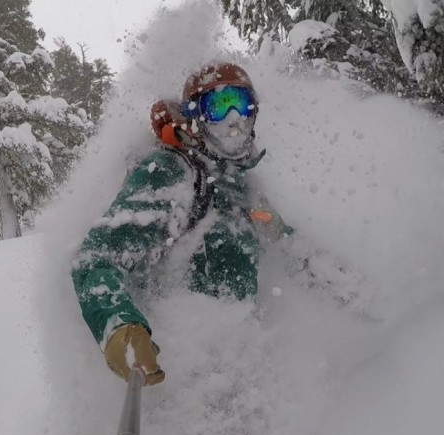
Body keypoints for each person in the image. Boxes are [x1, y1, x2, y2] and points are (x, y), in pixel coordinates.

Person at [71, 63, 292, 386]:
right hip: (174, 372)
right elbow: (96, 259)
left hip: (238, 370)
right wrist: (119, 327)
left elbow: (285, 243)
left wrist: (341, 282)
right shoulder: (171, 172)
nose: (233, 118)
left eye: (241, 104)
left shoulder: (241, 184)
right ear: (196, 116)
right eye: (217, 106)